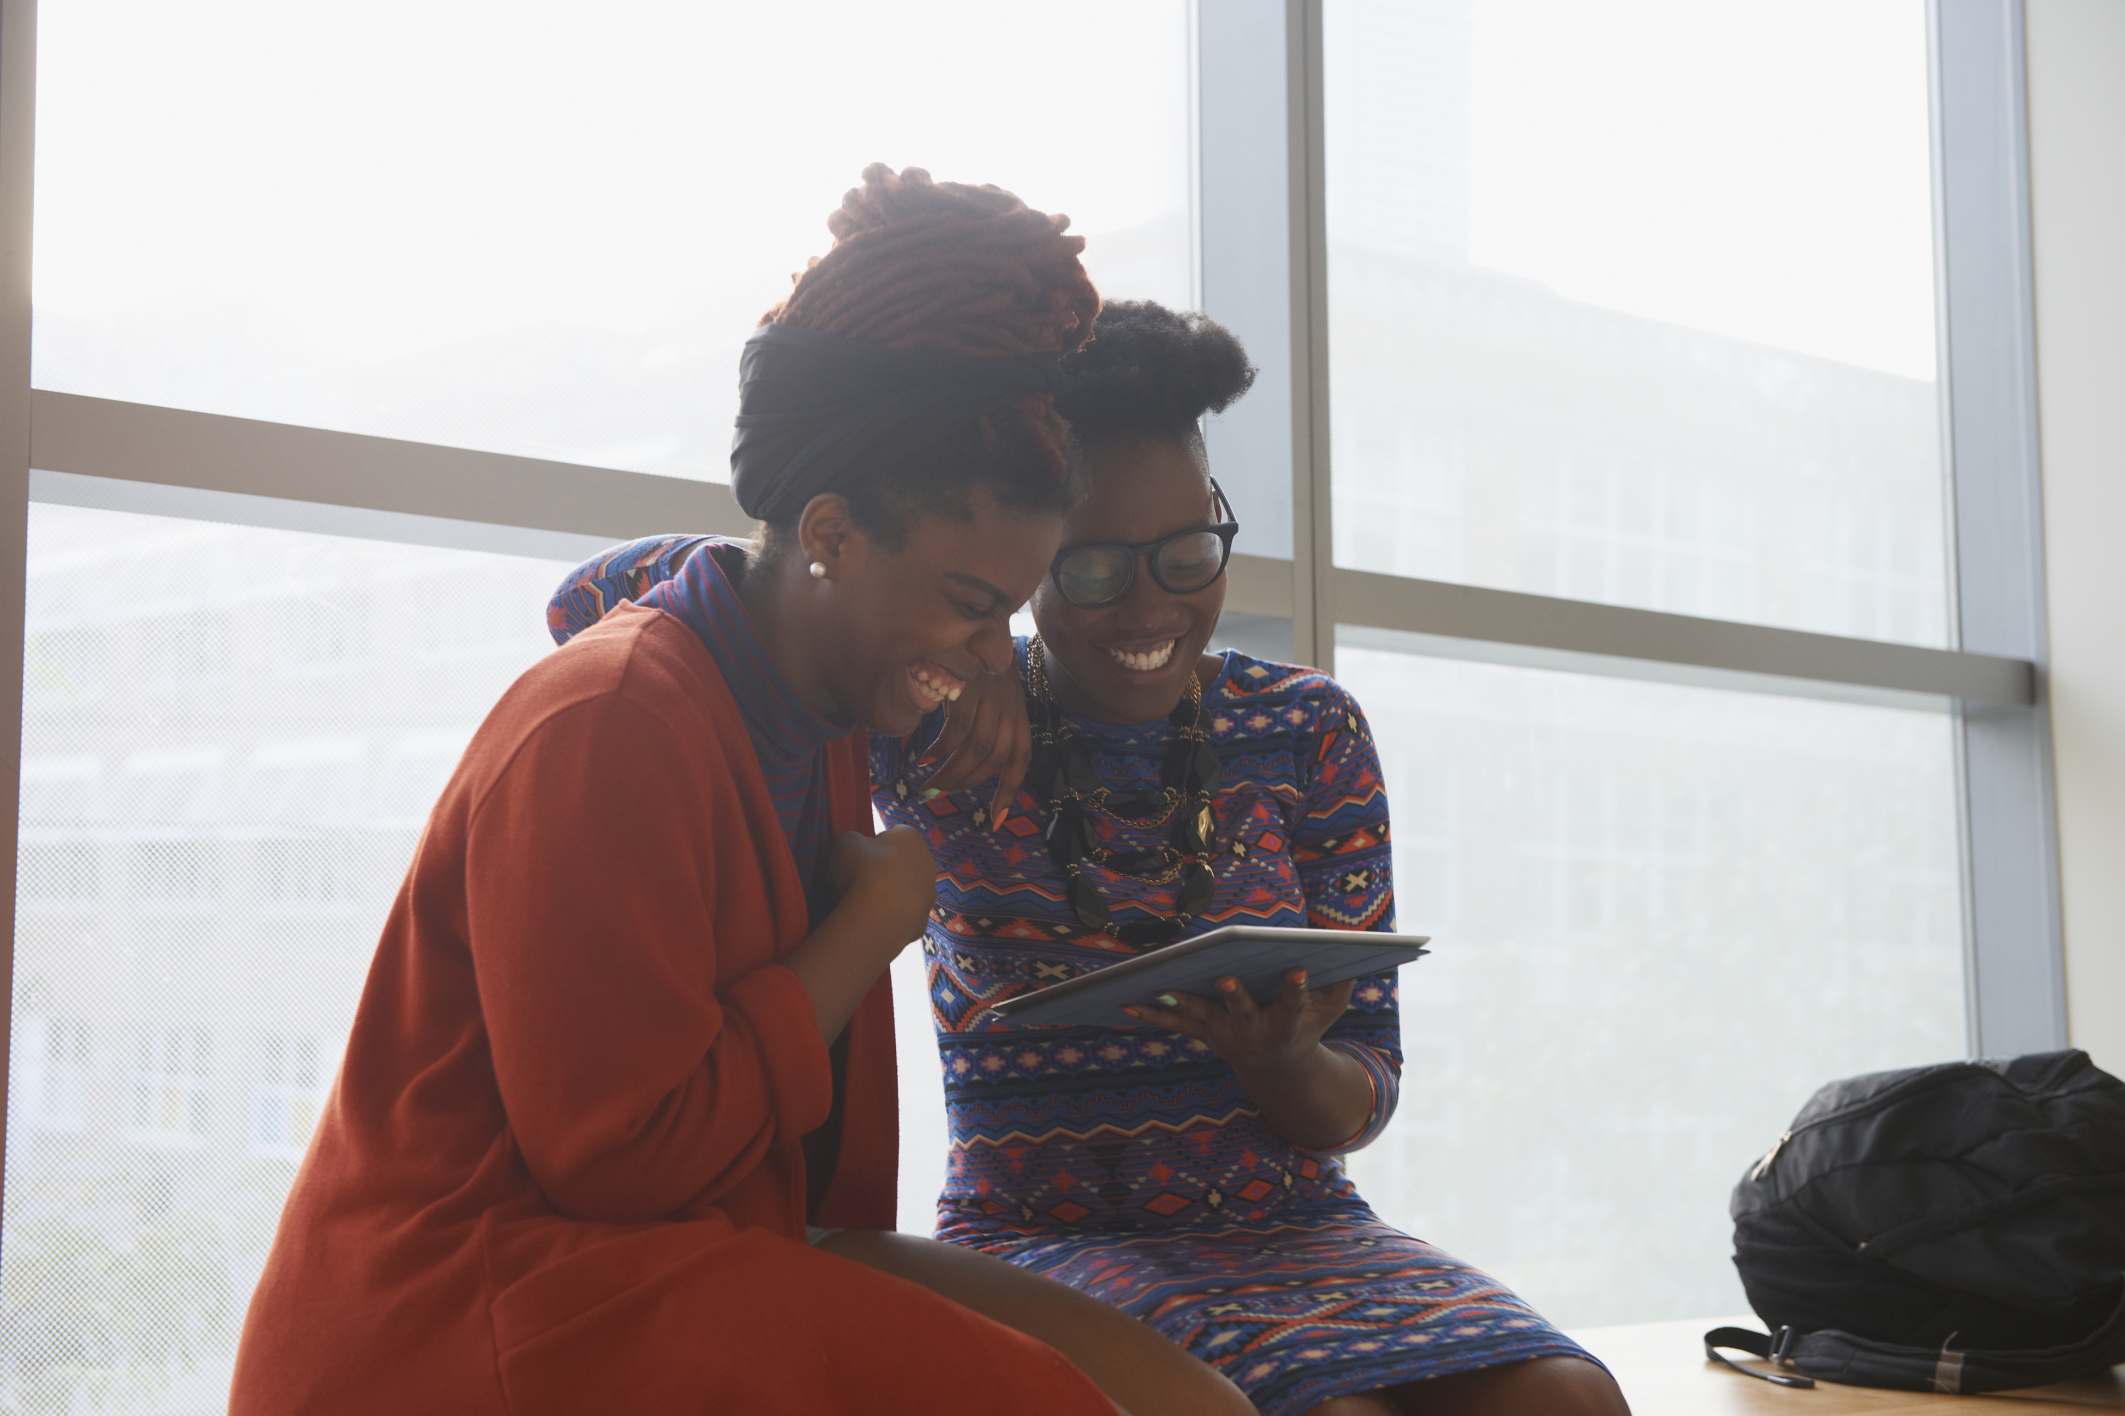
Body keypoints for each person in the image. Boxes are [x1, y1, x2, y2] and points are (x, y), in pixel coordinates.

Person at [231, 170, 1252, 1416]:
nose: (995, 658)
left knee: (1193, 1406)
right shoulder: (606, 723)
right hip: (482, 1305)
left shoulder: (815, 702)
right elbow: (620, 1160)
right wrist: (867, 932)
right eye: (971, 606)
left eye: (1007, 610)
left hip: (684, 1249)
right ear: (828, 535)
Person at [551, 302, 1630, 1416]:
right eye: (1097, 568)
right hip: (1037, 1234)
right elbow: (589, 597)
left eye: (1186, 553)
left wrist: (1281, 1064)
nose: (1154, 603)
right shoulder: (929, 702)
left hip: (1298, 1226)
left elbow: (1363, 1093)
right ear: (1026, 561)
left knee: (1565, 1401)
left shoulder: (1309, 731)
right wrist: (979, 662)